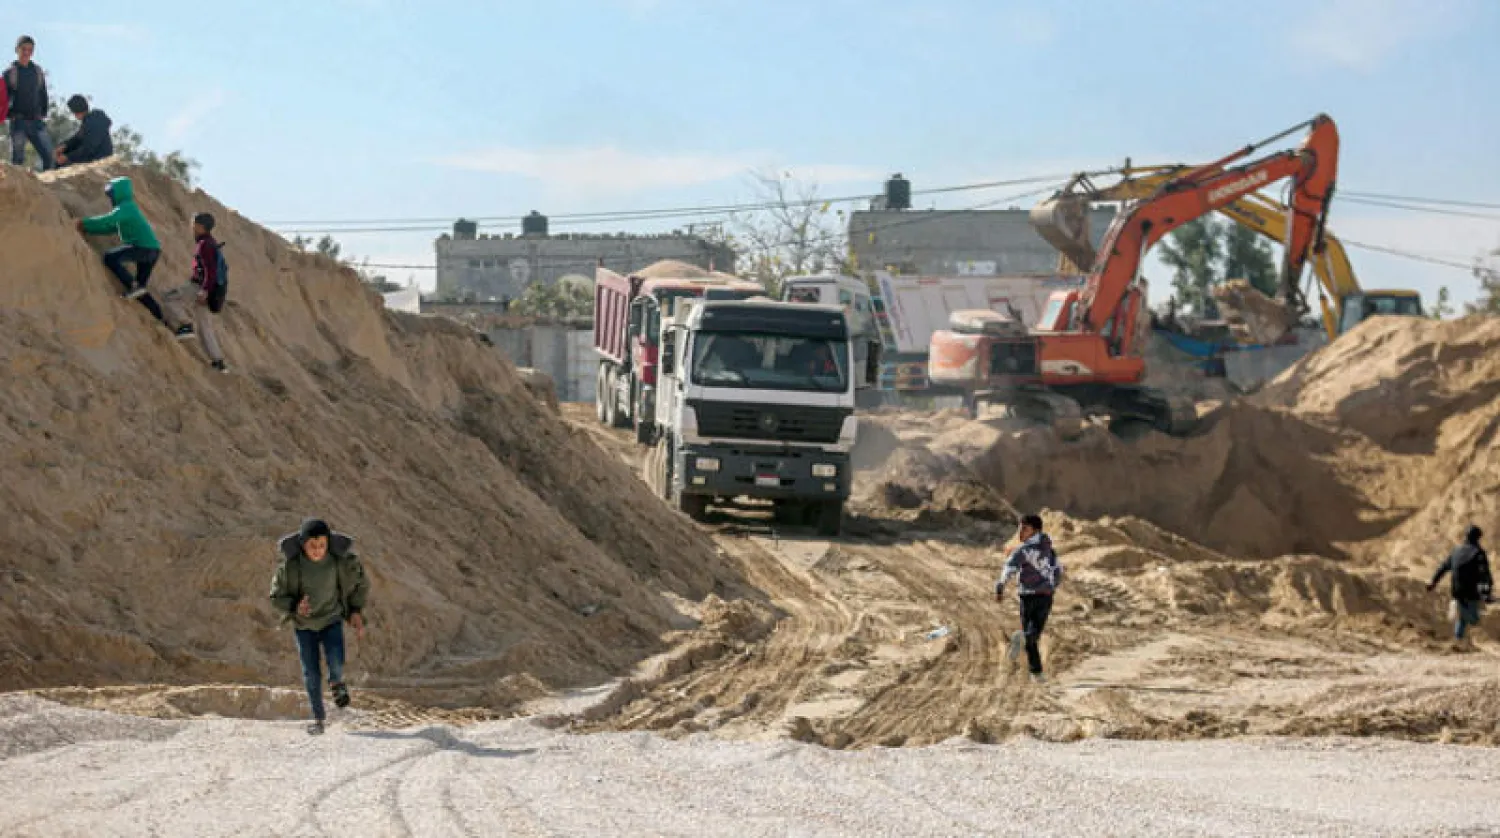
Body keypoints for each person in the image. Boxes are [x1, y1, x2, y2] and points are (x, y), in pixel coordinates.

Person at [269, 518, 370, 735]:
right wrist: (295, 606)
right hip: (304, 626)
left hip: (331, 619)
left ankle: (336, 683)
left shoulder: (340, 563)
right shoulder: (291, 568)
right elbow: (276, 595)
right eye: (312, 546)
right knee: (311, 673)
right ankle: (318, 719)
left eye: (322, 545)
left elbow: (360, 583)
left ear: (328, 543)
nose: (317, 550)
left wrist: (355, 611)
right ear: (303, 544)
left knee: (336, 660)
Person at [995, 513, 1064, 683]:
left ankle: (1035, 668)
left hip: (1027, 597)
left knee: (1030, 635)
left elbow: (1009, 568)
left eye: (1024, 529)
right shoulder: (1050, 550)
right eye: (1020, 528)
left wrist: (1001, 585)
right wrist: (1051, 586)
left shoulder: (1023, 551)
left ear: (1035, 530)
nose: (1020, 532)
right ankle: (1036, 673)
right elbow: (1058, 571)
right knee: (1033, 634)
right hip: (1045, 596)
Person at [160, 212, 229, 371]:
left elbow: (210, 271)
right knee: (205, 325)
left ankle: (185, 324)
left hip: (199, 286)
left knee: (169, 299)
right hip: (209, 289)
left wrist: (204, 291)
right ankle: (218, 361)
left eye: (194, 224)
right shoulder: (210, 243)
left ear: (200, 226)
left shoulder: (205, 244)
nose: (191, 227)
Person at [77, 176, 163, 302]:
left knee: (110, 257)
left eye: (112, 194)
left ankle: (134, 286)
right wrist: (89, 229)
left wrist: (84, 223)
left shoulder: (125, 207)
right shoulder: (128, 208)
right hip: (153, 250)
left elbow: (108, 220)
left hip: (144, 248)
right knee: (139, 291)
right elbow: (110, 229)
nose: (111, 198)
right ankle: (158, 313)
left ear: (120, 193)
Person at [1428, 525, 1493, 647]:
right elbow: (1485, 574)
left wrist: (1433, 582)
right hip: (1471, 593)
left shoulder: (1456, 551)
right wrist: (1487, 593)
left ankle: (1458, 640)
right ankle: (1473, 634)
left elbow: (1443, 568)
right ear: (1478, 538)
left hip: (1456, 592)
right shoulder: (1478, 553)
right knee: (1474, 620)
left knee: (1461, 620)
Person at [5, 36, 53, 171]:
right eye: (23, 49)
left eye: (30, 50)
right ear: (17, 50)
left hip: (36, 122)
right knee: (17, 161)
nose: (26, 52)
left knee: (49, 156)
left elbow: (43, 94)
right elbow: (3, 99)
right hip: (18, 122)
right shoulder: (10, 73)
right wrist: (9, 115)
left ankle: (46, 183)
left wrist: (44, 112)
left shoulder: (37, 71)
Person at [54, 95, 113, 167]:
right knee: (64, 152)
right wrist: (65, 146)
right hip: (91, 156)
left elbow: (88, 149)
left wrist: (67, 157)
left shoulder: (94, 122)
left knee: (63, 161)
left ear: (76, 112)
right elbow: (77, 138)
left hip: (99, 158)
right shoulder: (88, 121)